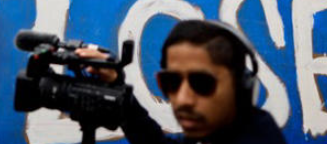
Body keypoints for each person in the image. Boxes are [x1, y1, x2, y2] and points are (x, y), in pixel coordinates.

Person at [78, 19, 286, 144]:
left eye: (202, 84)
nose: (183, 99)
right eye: (171, 83)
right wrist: (116, 84)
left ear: (240, 87)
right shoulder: (214, 133)